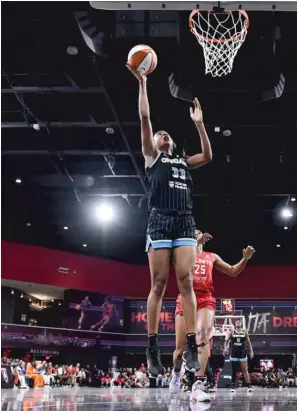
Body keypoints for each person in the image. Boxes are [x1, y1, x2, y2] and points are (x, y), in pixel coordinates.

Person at [127, 65, 213, 376]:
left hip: (185, 222)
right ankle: (152, 347)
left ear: (173, 143)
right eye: (159, 134)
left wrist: (200, 125)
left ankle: (191, 343)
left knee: (186, 282)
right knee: (159, 284)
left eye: (167, 135)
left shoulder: (183, 161)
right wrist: (143, 84)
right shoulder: (153, 157)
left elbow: (207, 156)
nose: (162, 135)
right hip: (159, 220)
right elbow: (145, 118)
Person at [170, 230, 256, 399]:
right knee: (179, 350)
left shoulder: (212, 257)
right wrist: (195, 243)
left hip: (205, 299)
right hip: (186, 298)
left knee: (202, 337)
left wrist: (245, 259)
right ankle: (175, 374)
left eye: (198, 233)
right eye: (193, 234)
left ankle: (199, 384)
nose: (196, 235)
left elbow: (232, 271)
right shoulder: (181, 254)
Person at [224, 319, 254, 393]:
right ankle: (233, 386)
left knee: (244, 370)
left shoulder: (244, 332)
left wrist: (251, 352)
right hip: (234, 353)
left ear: (241, 324)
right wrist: (225, 349)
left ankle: (249, 385)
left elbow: (249, 343)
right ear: (235, 324)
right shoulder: (232, 332)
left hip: (242, 353)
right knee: (234, 370)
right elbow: (226, 341)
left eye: (239, 322)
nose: (238, 323)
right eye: (236, 322)